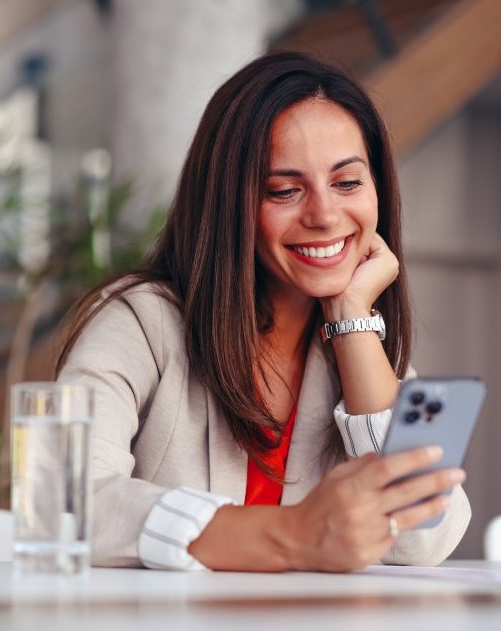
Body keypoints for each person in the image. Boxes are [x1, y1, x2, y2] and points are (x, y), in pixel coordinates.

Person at [55, 51, 471, 572]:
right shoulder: (139, 322)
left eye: (347, 183)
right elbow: (65, 502)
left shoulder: (358, 340)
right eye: (284, 190)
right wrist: (291, 535)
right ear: (229, 203)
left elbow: (424, 541)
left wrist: (350, 315)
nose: (324, 215)